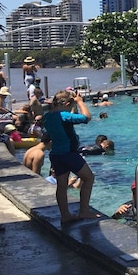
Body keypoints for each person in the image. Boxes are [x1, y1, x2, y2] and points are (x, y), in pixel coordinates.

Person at [44, 89, 97, 222]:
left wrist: (73, 105)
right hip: (68, 154)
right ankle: (84, 211)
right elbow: (86, 117)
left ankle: (65, 215)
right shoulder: (64, 116)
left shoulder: (48, 117)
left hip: (56, 154)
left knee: (61, 185)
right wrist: (80, 102)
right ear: (67, 104)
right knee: (89, 178)